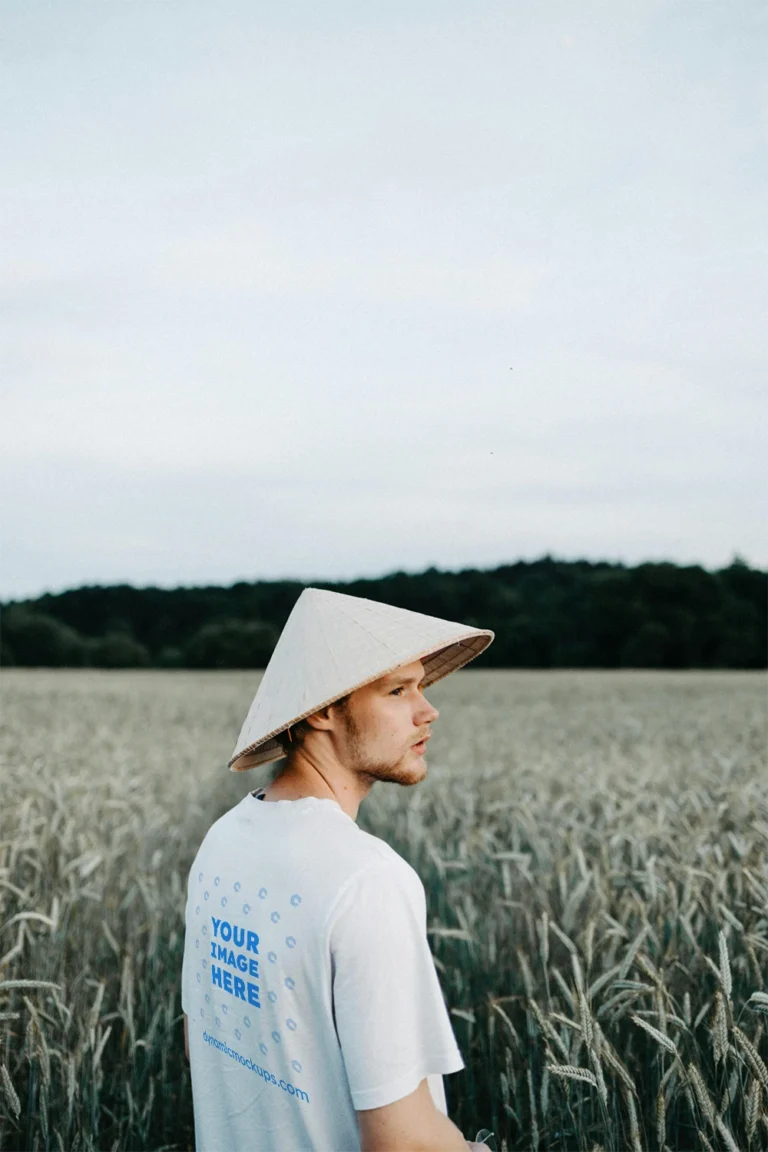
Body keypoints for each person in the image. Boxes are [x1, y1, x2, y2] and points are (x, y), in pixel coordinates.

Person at [181, 587, 494, 1151]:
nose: (428, 710)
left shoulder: (221, 842)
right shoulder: (366, 879)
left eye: (422, 686)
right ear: (323, 708)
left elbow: (204, 1040)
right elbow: (404, 1142)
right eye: (398, 689)